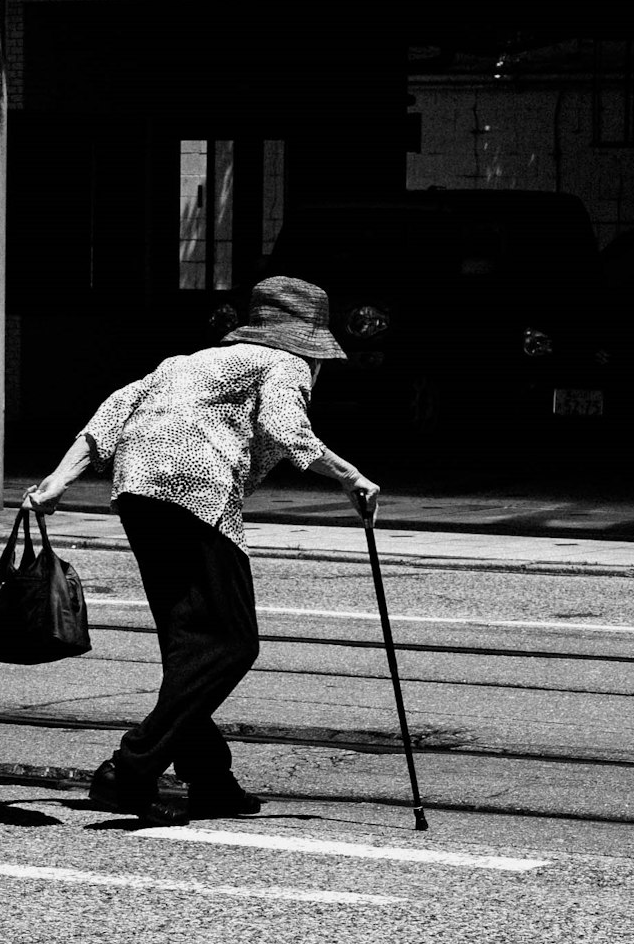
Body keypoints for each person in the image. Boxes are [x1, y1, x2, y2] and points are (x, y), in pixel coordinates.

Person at [22, 274, 381, 823]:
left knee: (189, 647)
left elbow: (112, 413)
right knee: (233, 645)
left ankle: (210, 779)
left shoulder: (185, 362)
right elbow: (287, 428)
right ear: (307, 343)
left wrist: (56, 480)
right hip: (196, 494)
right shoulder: (283, 363)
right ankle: (130, 769)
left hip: (137, 491)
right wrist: (349, 476)